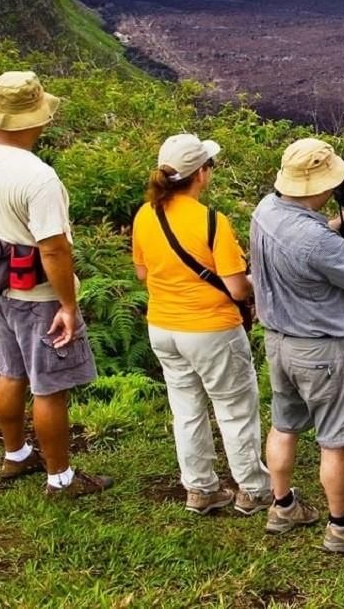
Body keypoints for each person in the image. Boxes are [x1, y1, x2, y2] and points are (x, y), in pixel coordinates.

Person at [0, 71, 110, 497]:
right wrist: (68, 305)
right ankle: (60, 479)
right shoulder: (38, 177)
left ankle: (16, 454)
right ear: (35, 120)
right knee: (49, 386)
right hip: (38, 294)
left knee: (10, 371)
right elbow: (55, 250)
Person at [250, 137, 344, 551]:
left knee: (284, 425)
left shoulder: (266, 210)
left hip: (279, 342)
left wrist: (340, 220)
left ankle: (283, 506)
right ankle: (343, 528)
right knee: (334, 440)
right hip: (321, 351)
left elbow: (310, 243)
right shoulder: (314, 240)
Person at [131, 133, 273, 516]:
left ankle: (201, 488)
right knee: (234, 409)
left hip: (163, 326)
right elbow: (237, 287)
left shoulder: (146, 214)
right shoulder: (212, 222)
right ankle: (254, 489)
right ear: (201, 174)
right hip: (211, 329)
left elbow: (143, 273)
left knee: (187, 409)